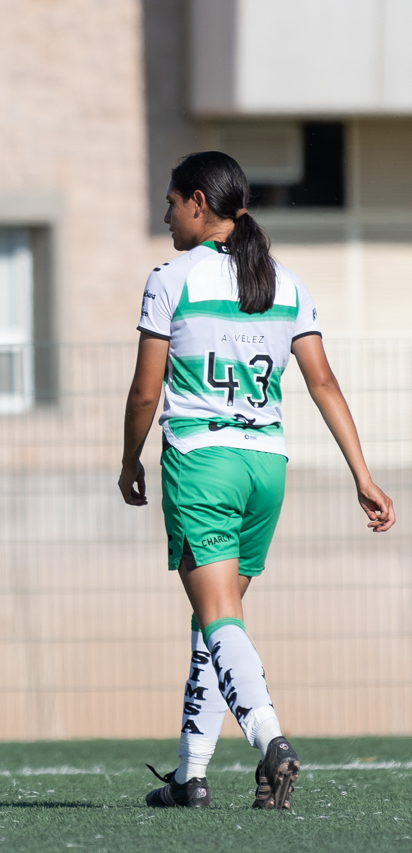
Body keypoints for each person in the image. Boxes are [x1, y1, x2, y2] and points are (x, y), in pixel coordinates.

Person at [119, 152, 395, 810]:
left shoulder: (170, 279)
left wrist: (129, 459)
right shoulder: (288, 283)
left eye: (170, 201)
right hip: (265, 468)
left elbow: (144, 391)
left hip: (203, 463)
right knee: (218, 622)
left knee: (218, 618)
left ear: (197, 203)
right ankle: (191, 775)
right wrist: (363, 474)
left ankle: (272, 740)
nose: (164, 214)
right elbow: (322, 382)